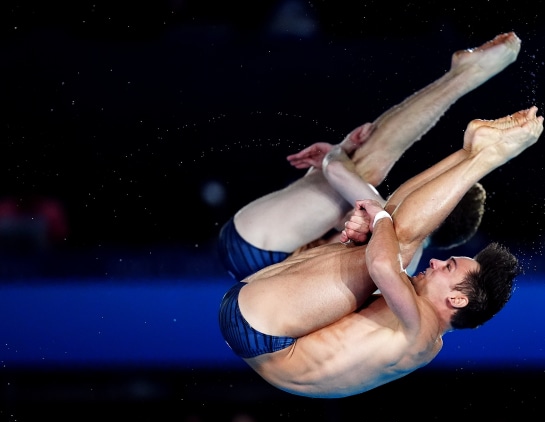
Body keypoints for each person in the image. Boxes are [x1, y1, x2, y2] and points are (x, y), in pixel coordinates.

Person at [219, 100, 544, 399]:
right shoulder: (410, 313)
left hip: (263, 328)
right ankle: (470, 152)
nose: (435, 261)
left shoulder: (423, 335)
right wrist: (373, 222)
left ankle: (485, 156)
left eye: (448, 268)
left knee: (395, 242)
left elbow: (384, 264)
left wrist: (377, 216)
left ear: (457, 300)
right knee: (390, 231)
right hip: (258, 318)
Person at [218, 32, 520, 282]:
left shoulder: (390, 226)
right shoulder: (406, 260)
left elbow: (336, 171)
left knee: (365, 172)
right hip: (266, 274)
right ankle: (462, 75)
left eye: (429, 182)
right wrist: (329, 172)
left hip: (253, 250)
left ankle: (463, 77)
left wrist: (338, 152)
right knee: (360, 179)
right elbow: (318, 249)